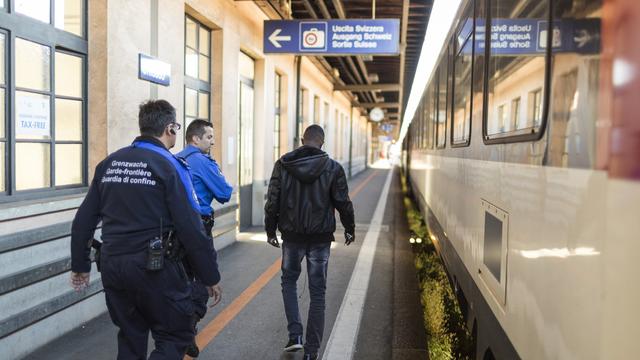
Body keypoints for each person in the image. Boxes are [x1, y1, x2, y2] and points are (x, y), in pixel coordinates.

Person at [70, 100, 222, 359]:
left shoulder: (109, 164)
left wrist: (80, 265)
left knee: (130, 337)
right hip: (156, 268)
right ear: (170, 129)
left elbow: (83, 220)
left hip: (113, 266)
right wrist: (210, 276)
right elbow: (191, 227)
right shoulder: (171, 166)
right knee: (175, 335)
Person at [264, 124, 355, 360]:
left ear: (302, 140)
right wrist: (349, 228)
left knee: (289, 282)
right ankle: (312, 351)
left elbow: (272, 200)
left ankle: (295, 335)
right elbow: (343, 202)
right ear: (322, 143)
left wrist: (270, 230)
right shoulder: (333, 168)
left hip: (292, 237)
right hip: (320, 239)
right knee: (318, 293)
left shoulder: (283, 164)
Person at [176, 119, 232, 357]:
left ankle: (179, 327)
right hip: (198, 228)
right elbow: (224, 193)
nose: (213, 140)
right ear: (195, 139)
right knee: (203, 277)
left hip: (174, 231)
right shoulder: (201, 161)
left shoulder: (175, 159)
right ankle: (187, 330)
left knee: (182, 279)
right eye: (208, 136)